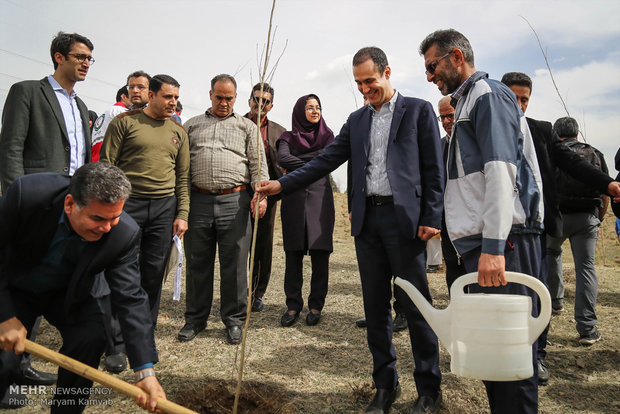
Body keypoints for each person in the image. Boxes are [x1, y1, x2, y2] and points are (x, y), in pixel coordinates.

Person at [258, 46, 444, 414]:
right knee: (375, 307)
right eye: (358, 83)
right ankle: (384, 385)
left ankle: (429, 389)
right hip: (367, 222)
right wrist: (283, 185)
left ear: (387, 72)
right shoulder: (356, 120)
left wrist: (432, 217)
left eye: (370, 81)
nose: (364, 89)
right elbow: (327, 160)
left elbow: (434, 169)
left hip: (406, 222)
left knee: (416, 305)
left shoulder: (419, 111)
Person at [419, 28, 546, 414]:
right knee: (494, 353)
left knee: (511, 355)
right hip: (485, 244)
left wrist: (492, 248)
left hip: (503, 244)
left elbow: (501, 171)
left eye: (432, 66)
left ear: (457, 57)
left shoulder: (488, 96)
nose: (429, 76)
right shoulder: (467, 101)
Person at [0, 162, 165, 412]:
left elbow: (130, 298)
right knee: (4, 362)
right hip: (14, 287)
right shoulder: (28, 194)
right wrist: (4, 316)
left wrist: (145, 371)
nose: (106, 228)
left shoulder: (123, 234)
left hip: (70, 292)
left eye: (114, 218)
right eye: (97, 218)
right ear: (69, 204)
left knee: (91, 336)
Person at [501, 71, 619, 384]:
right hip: (500, 229)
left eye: (525, 98)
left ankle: (537, 357)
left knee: (539, 294)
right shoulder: (487, 130)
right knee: (511, 296)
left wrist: (608, 184)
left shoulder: (540, 131)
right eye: (513, 97)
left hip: (538, 226)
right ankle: (510, 351)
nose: (519, 104)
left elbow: (572, 163)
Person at [0, 31, 95, 390]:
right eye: (80, 56)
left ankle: (20, 364)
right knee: (18, 284)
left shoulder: (81, 106)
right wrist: (17, 201)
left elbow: (81, 161)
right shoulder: (27, 92)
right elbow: (10, 149)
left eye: (90, 58)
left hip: (71, 210)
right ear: (59, 57)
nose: (86, 63)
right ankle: (4, 373)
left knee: (43, 285)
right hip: (34, 205)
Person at [179, 74, 268, 345]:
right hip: (199, 202)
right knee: (198, 264)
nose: (224, 103)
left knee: (236, 265)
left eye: (229, 98)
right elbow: (182, 168)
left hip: (236, 202)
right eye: (219, 97)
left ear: (236, 98)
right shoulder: (191, 126)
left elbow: (258, 164)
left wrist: (260, 195)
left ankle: (234, 321)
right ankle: (195, 319)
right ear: (210, 95)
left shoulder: (247, 127)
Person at [100, 74, 189, 327]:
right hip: (127, 206)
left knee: (153, 272)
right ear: (151, 95)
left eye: (176, 98)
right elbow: (107, 166)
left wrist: (182, 214)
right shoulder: (124, 123)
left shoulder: (178, 131)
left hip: (163, 209)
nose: (173, 103)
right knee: (121, 269)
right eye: (168, 96)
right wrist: (110, 208)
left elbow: (183, 177)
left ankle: (142, 333)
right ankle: (115, 338)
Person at [546, 116, 610, 346]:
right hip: (586, 217)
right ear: (577, 132)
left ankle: (554, 302)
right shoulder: (594, 152)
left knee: (551, 255)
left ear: (556, 133)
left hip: (557, 217)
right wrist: (598, 218)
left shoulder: (552, 152)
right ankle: (587, 328)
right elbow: (604, 190)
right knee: (586, 267)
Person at [277, 94, 335, 327]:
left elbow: (330, 159)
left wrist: (299, 163)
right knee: (293, 254)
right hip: (294, 198)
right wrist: (314, 166)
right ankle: (293, 305)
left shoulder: (328, 136)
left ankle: (316, 305)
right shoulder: (287, 137)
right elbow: (282, 157)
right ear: (300, 111)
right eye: (309, 107)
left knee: (321, 255)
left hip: (321, 199)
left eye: (318, 107)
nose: (314, 111)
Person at [244, 82, 286, 312]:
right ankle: (239, 290)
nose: (261, 104)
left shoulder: (279, 131)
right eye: (256, 99)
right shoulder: (237, 124)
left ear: (271, 105)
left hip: (266, 196)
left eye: (266, 101)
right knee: (239, 245)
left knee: (262, 245)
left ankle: (257, 293)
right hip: (239, 194)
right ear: (249, 100)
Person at [436, 97, 467, 291]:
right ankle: (456, 305)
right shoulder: (437, 146)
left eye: (450, 115)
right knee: (452, 263)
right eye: (442, 117)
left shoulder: (474, 142)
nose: (447, 121)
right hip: (447, 217)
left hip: (472, 216)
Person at [91, 85, 130, 162]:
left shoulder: (106, 112)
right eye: (132, 96)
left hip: (95, 158)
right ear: (123, 96)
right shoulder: (120, 111)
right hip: (108, 158)